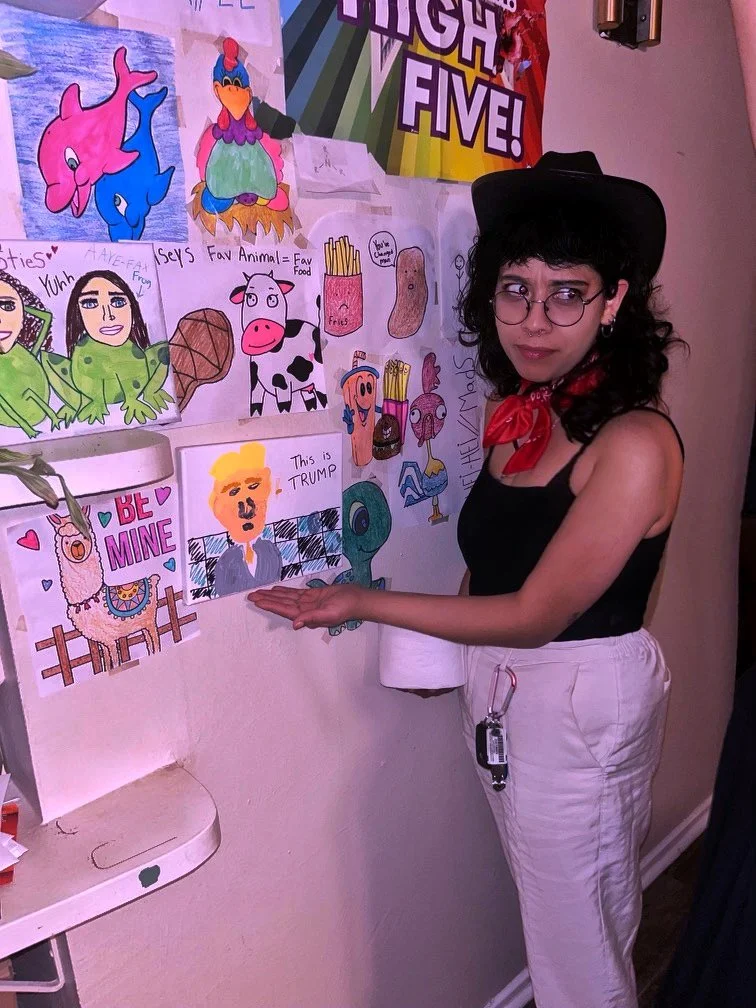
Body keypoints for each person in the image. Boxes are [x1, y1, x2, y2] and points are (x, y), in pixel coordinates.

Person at [251, 151, 686, 1008]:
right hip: (513, 691)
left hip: (577, 700)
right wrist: (445, 659)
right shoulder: (527, 412)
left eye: (568, 290)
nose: (534, 317)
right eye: (515, 287)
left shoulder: (635, 444)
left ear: (616, 301)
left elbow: (530, 614)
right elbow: (491, 567)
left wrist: (361, 600)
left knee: (580, 948)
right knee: (562, 917)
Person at [210, 441, 282, 598]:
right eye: (234, 491)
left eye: (254, 486)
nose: (247, 510)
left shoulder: (270, 551)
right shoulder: (226, 562)